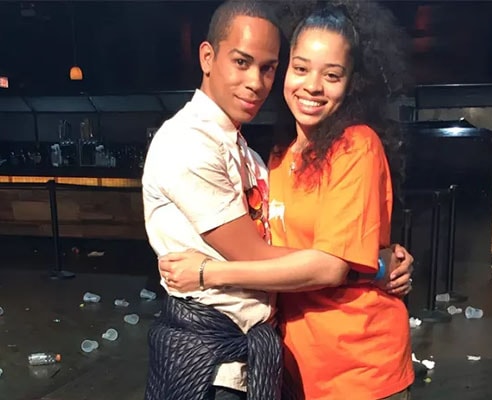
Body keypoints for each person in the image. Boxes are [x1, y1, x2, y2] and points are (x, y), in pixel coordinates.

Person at [142, 1, 413, 399]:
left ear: (352, 82)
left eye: (332, 75)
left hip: (356, 366)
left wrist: (368, 264)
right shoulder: (203, 145)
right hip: (230, 359)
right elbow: (262, 255)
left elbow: (326, 262)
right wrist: (371, 267)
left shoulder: (344, 147)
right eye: (300, 68)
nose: (256, 81)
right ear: (207, 57)